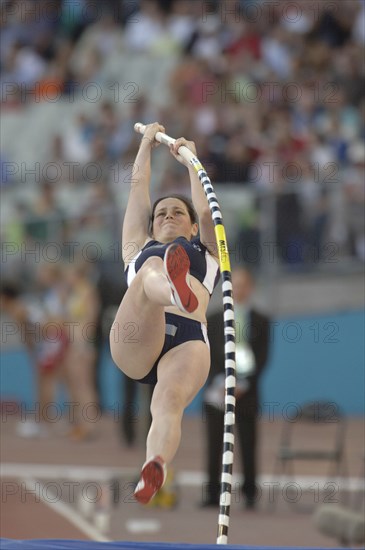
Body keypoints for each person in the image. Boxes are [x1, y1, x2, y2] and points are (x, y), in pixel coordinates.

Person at [109, 122, 220, 504]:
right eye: (161, 214)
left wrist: (191, 161)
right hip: (137, 337)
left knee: (168, 404)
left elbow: (206, 211)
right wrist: (145, 143)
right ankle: (171, 288)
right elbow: (138, 188)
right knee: (149, 274)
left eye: (177, 213)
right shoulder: (136, 251)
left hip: (186, 343)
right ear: (151, 225)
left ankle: (154, 465)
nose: (168, 216)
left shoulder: (206, 253)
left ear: (190, 228)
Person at [202, 267, 271, 509]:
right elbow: (206, 356)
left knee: (248, 442)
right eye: (234, 285)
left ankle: (250, 493)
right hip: (217, 392)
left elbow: (262, 357)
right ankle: (212, 493)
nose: (238, 289)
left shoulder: (261, 320)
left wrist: (243, 384)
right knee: (213, 443)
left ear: (250, 288)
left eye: (243, 285)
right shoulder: (211, 320)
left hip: (247, 394)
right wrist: (221, 383)